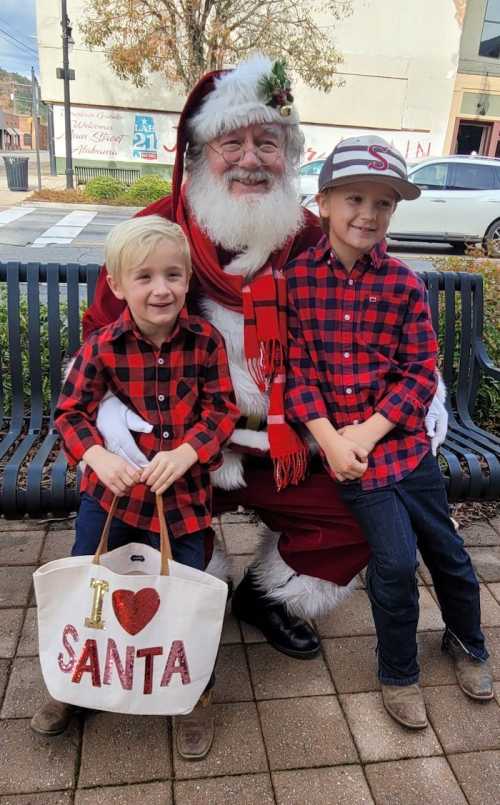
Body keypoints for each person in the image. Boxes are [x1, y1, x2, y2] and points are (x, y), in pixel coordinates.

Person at [79, 55, 448, 664]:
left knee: (358, 516)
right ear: (200, 153)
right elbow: (100, 336)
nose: (250, 158)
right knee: (139, 509)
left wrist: (420, 390)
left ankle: (261, 595)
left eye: (267, 143)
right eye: (232, 142)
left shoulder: (312, 236)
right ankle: (195, 585)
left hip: (289, 447)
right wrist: (112, 414)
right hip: (186, 445)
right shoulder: (156, 236)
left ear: (290, 154)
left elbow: (380, 322)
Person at [284, 135, 493, 729]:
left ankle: (468, 641)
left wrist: (368, 432)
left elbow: (419, 371)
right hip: (347, 460)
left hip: (401, 448)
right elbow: (294, 372)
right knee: (396, 564)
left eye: (384, 204)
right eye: (354, 198)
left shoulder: (402, 284)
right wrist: (329, 439)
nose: (368, 214)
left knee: (449, 552)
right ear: (322, 202)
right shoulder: (297, 284)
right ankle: (398, 670)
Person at [31, 216, 240, 760]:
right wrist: (97, 455)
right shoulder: (103, 347)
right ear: (118, 285)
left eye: (173, 275)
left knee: (185, 593)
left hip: (183, 504)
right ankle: (73, 684)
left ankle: (193, 692)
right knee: (93, 589)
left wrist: (190, 449)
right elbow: (71, 412)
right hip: (112, 502)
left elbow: (222, 410)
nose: (161, 289)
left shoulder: (205, 341)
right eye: (144, 277)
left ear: (188, 279)